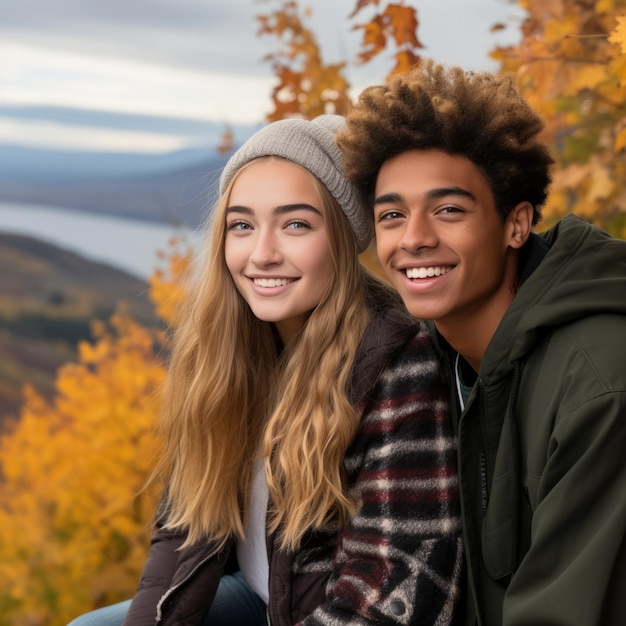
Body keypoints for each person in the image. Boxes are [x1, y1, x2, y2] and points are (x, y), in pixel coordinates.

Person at [67, 114, 463, 626]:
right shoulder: (228, 351)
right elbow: (182, 528)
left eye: (296, 224)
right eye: (242, 225)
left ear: (342, 240)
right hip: (265, 598)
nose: (262, 254)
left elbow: (394, 593)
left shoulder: (395, 365)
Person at [336, 59, 626, 625]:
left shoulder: (599, 383)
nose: (414, 239)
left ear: (516, 224)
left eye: (448, 210)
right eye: (392, 215)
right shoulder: (435, 358)